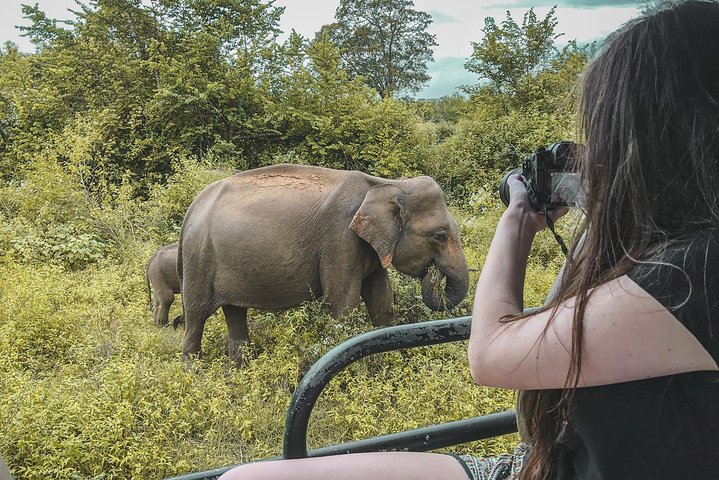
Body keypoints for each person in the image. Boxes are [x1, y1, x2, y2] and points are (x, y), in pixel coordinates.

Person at [218, 1, 719, 479]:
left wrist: (518, 218)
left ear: (653, 146)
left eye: (608, 136)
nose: (601, 155)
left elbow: (491, 352)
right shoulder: (679, 250)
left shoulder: (696, 272)